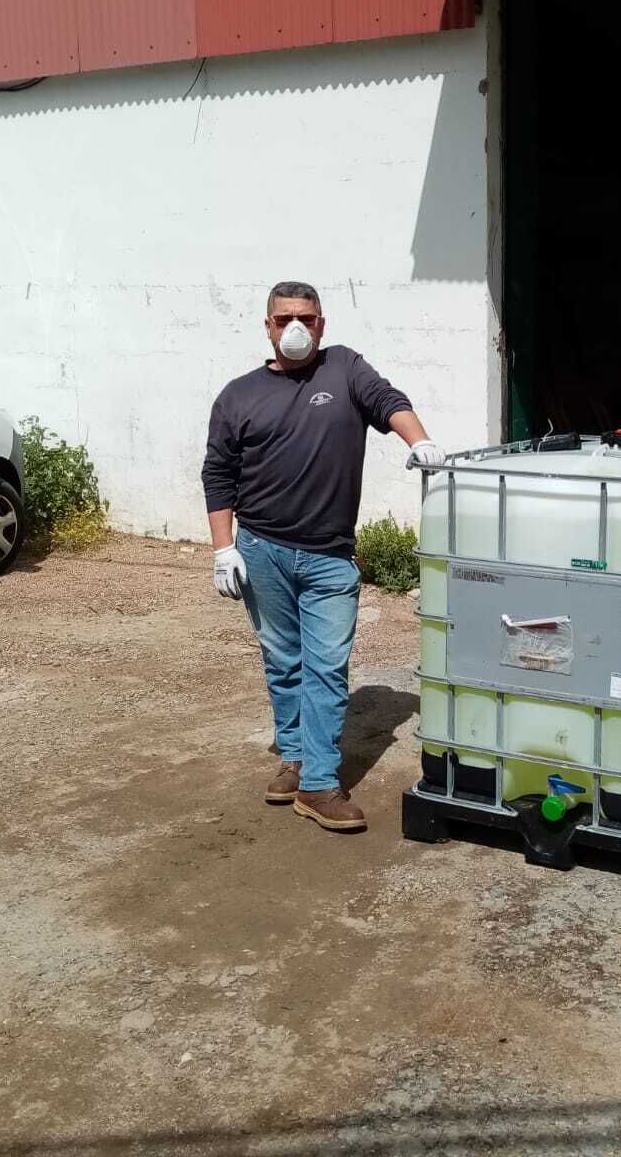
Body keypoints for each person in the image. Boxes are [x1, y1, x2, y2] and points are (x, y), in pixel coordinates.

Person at [201, 281, 443, 832]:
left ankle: (319, 783)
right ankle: (295, 758)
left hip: (330, 557)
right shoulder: (237, 395)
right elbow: (218, 474)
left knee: (327, 668)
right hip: (261, 550)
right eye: (284, 318)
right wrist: (223, 548)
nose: (296, 328)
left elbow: (389, 401)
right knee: (283, 661)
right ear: (267, 326)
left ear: (322, 324)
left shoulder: (344, 369)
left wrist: (420, 441)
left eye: (306, 319)